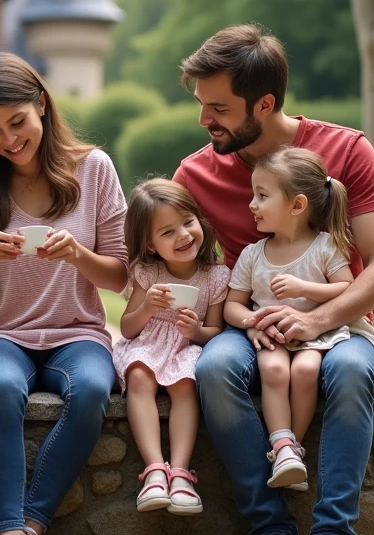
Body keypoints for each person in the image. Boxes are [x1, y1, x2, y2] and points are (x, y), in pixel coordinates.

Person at [172, 24, 374, 535]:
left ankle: (333, 529)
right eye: (201, 104)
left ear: (265, 103)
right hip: (251, 325)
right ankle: (270, 526)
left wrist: (316, 319)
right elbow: (165, 260)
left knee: (350, 371)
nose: (204, 120)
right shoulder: (194, 175)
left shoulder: (347, 151)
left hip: (340, 325)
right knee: (215, 368)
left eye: (218, 108)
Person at [0, 52, 129, 535]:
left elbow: (122, 277)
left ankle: (33, 521)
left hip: (78, 334)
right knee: (5, 389)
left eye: (17, 122)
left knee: (93, 390)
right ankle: (9, 528)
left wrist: (78, 256)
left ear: (42, 104)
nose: (8, 141)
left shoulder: (94, 169)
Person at [224, 148, 374, 493]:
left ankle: (292, 449)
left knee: (305, 370)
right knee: (274, 370)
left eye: (262, 196)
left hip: (317, 332)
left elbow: (346, 287)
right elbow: (232, 307)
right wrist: (252, 321)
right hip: (272, 335)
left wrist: (303, 288)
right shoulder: (253, 254)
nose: (252, 204)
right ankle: (282, 445)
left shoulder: (325, 247)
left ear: (297, 205)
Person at [113, 179, 230, 516]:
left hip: (186, 346)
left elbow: (215, 331)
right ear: (150, 245)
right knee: (138, 374)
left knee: (185, 384)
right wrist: (146, 307)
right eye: (168, 232)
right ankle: (154, 471)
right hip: (149, 343)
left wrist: (196, 331)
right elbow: (128, 328)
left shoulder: (215, 276)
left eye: (188, 222)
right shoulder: (148, 273)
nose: (183, 235)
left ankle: (180, 474)